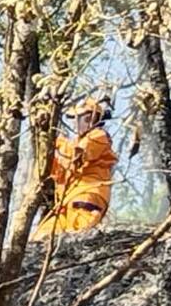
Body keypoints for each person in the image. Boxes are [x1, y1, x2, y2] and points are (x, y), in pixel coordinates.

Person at [32, 97, 118, 242]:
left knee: (77, 235)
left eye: (78, 118)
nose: (74, 122)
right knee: (41, 236)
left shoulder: (98, 136)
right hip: (67, 201)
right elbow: (54, 171)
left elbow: (78, 155)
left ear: (90, 117)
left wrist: (56, 141)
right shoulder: (75, 142)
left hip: (87, 195)